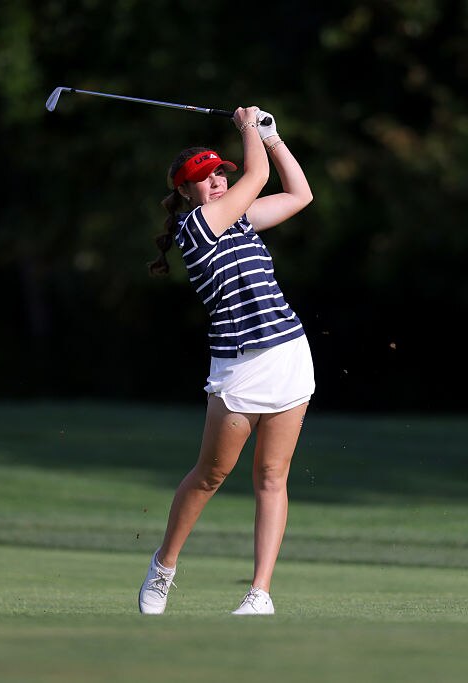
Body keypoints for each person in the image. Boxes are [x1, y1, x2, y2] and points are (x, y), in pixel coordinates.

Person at [139, 106, 314, 616]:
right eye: (204, 177)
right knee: (211, 475)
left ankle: (260, 593)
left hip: (288, 354)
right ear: (185, 192)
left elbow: (300, 195)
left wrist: (272, 137)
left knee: (272, 477)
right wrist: (247, 127)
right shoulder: (197, 228)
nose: (216, 182)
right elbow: (256, 177)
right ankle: (163, 567)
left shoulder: (240, 220)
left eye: (220, 173)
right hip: (239, 368)